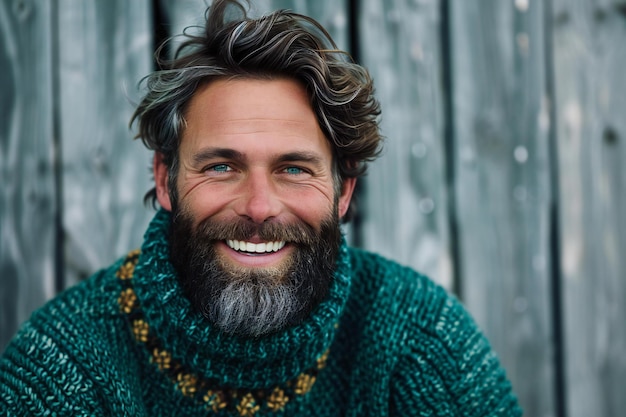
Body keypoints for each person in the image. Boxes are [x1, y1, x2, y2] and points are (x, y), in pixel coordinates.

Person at [0, 1, 522, 415]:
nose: (258, 206)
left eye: (294, 168)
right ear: (165, 179)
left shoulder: (418, 340)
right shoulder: (63, 369)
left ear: (343, 192)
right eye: (221, 166)